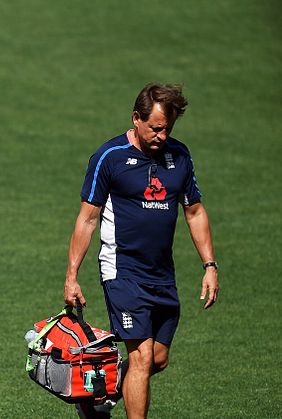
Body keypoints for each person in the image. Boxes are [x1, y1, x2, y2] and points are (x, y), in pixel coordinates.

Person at [63, 83, 219, 419]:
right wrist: (72, 276)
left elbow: (194, 211)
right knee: (142, 357)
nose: (163, 136)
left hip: (162, 274)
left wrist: (210, 265)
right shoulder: (110, 157)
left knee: (157, 359)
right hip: (122, 272)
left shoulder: (179, 155)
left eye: (168, 128)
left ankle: (95, 394)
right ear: (137, 118)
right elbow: (87, 220)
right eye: (156, 127)